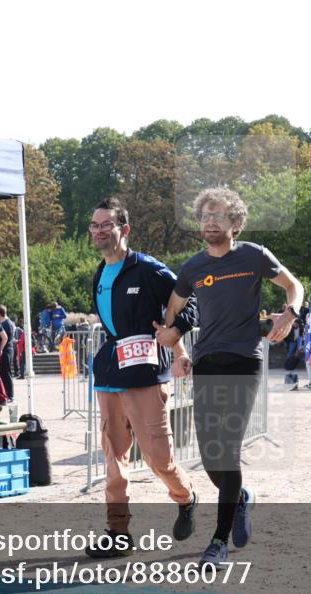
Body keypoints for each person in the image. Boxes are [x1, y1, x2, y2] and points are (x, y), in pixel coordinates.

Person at [161, 187, 303, 570]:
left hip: (244, 360)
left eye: (218, 215)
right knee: (209, 456)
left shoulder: (254, 256)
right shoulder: (192, 268)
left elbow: (294, 285)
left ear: (235, 223)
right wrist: (174, 341)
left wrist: (290, 313)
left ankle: (218, 542)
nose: (209, 221)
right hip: (206, 361)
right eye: (204, 215)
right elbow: (173, 309)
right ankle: (239, 499)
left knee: (227, 448)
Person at [81, 196, 199, 558]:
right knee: (114, 457)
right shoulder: (100, 273)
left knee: (157, 457)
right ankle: (117, 533)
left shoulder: (148, 269)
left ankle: (186, 497)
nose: (100, 232)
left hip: (146, 373)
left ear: (124, 229)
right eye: (95, 226)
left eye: (107, 225)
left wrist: (173, 337)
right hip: (109, 372)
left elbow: (189, 303)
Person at [0, 305, 16, 403]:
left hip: (6, 351)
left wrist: (0, 349)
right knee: (1, 373)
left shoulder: (7, 324)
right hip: (3, 351)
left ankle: (10, 395)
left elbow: (6, 339)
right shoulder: (1, 323)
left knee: (6, 373)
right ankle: (4, 393)